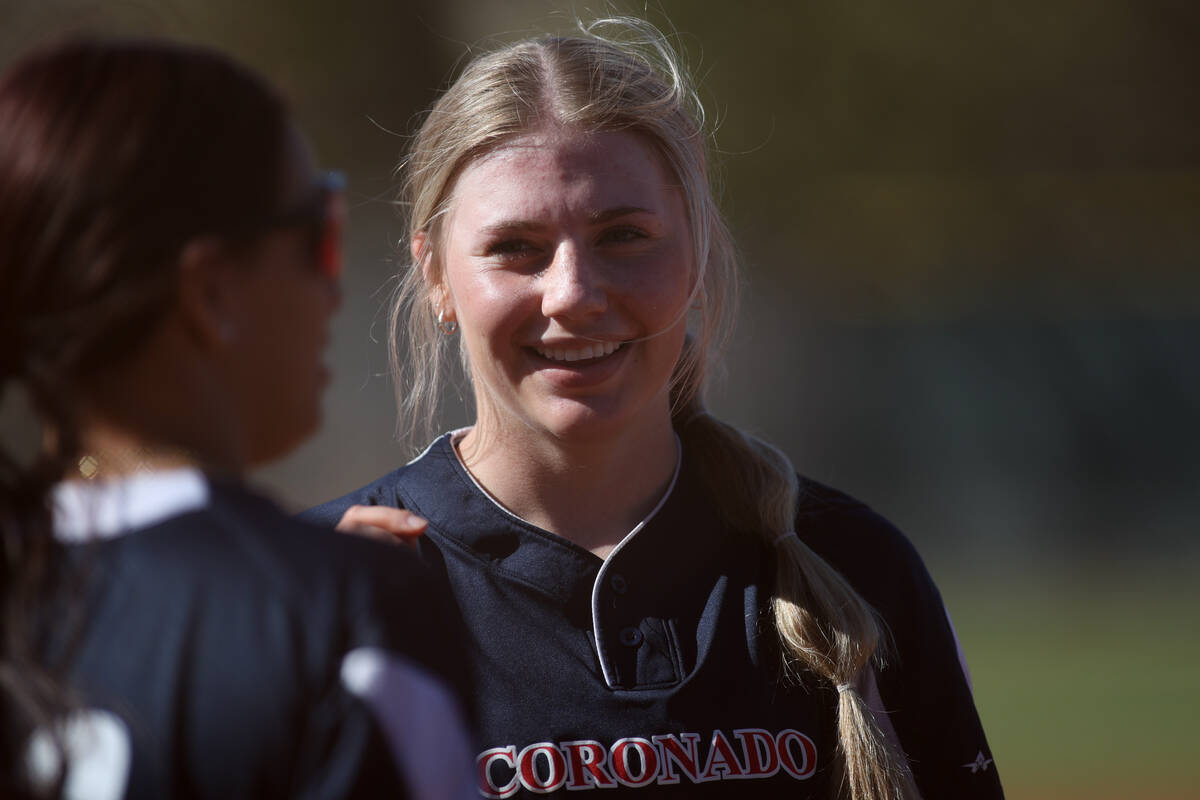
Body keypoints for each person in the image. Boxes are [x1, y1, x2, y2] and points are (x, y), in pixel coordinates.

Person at [306, 17, 1004, 800]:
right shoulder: (317, 590)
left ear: (697, 254)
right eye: (516, 248)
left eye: (624, 236)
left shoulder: (853, 569)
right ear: (436, 276)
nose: (573, 293)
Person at [0, 38, 476, 800]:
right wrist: (306, 593)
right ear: (211, 292)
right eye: (320, 230)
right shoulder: (340, 616)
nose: (333, 290)